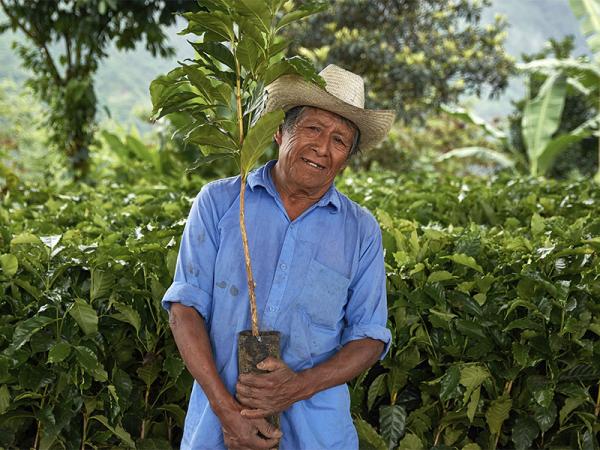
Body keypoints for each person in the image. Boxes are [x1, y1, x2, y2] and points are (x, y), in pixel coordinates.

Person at [163, 64, 395, 449]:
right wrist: (227, 413)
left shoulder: (361, 230)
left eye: (340, 140)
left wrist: (295, 387)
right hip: (219, 431)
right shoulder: (220, 203)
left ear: (346, 159)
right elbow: (183, 310)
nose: (323, 148)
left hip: (318, 436)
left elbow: (369, 336)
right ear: (279, 132)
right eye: (313, 129)